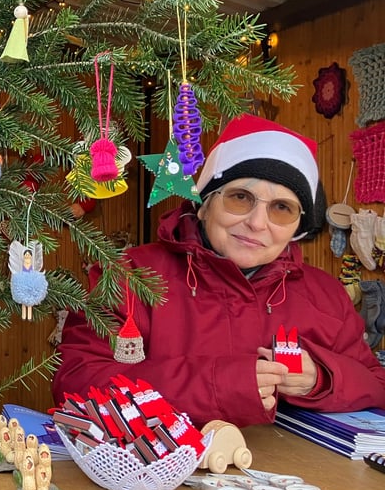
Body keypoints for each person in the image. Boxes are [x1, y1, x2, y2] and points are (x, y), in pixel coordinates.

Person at [53, 114, 385, 428]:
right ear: (204, 205)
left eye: (282, 208)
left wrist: (323, 379)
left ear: (298, 226)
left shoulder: (326, 295)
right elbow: (77, 384)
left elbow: (375, 383)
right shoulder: (129, 275)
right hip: (156, 479)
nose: (257, 223)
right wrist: (225, 385)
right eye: (240, 198)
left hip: (289, 482)